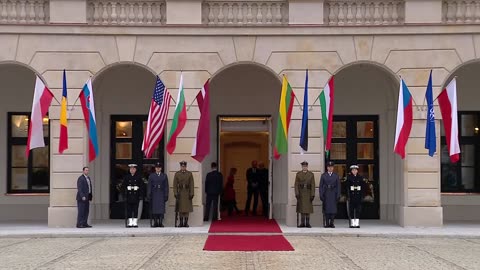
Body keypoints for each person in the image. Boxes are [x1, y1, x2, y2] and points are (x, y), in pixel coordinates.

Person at [320, 161, 341, 228]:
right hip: (326, 193)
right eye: (329, 167)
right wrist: (321, 194)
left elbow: (338, 186)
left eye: (331, 167)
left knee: (333, 209)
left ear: (333, 168)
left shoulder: (336, 176)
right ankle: (326, 223)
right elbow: (321, 186)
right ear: (327, 168)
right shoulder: (323, 175)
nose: (330, 168)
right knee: (326, 210)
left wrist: (338, 195)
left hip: (333, 193)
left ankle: (331, 223)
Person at [294, 161, 315, 228]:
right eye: (303, 166)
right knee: (302, 209)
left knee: (307, 209)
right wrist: (297, 193)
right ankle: (302, 223)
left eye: (305, 166)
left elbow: (313, 185)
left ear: (307, 167)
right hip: (301, 193)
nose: (304, 167)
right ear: (302, 167)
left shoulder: (311, 174)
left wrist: (312, 194)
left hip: (308, 193)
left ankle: (307, 223)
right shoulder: (298, 174)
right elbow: (296, 184)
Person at [173, 161, 194, 227]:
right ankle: (181, 222)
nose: (183, 167)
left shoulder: (189, 174)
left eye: (184, 166)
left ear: (186, 166)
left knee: (187, 208)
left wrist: (192, 193)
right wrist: (175, 193)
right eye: (182, 166)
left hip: (187, 192)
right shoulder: (177, 174)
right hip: (181, 192)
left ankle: (186, 222)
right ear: (180, 167)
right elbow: (175, 185)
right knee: (180, 208)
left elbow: (191, 184)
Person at [148, 162, 169, 227]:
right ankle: (155, 222)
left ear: (161, 168)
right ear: (155, 168)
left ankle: (160, 222)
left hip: (161, 193)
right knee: (154, 209)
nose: (158, 169)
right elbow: (149, 186)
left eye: (159, 168)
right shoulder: (152, 176)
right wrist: (149, 194)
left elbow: (166, 186)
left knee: (161, 209)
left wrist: (166, 195)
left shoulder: (164, 176)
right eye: (157, 168)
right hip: (154, 194)